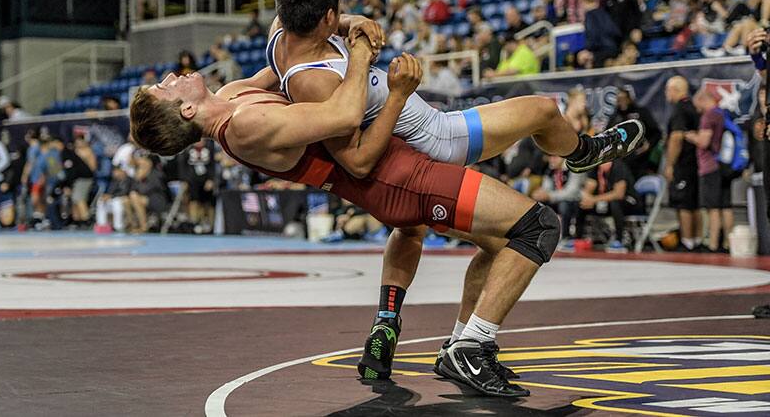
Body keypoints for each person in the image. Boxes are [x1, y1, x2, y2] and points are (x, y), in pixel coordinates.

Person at [264, 0, 644, 383]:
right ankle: (582, 152)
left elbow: (316, 18)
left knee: (430, 230)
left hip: (408, 151)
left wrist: (350, 20)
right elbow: (355, 158)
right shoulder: (314, 82)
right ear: (325, 16)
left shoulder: (283, 33)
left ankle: (407, 327)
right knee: (541, 113)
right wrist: (394, 90)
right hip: (437, 140)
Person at [131, 39, 553, 397]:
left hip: (389, 182)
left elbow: (287, 65)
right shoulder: (246, 124)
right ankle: (470, 348)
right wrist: (373, 65)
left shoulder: (234, 97)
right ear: (186, 111)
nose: (170, 77)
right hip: (393, 178)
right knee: (537, 226)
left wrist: (332, 25)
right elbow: (353, 139)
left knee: (478, 242)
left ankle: (414, 330)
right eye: (163, 87)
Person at [685, 89, 733, 252]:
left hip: (710, 166)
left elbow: (704, 141)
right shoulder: (722, 113)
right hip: (725, 166)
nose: (696, 109)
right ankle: (728, 243)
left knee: (713, 208)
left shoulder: (708, 116)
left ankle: (713, 244)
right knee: (725, 206)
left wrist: (691, 136)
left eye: (697, 105)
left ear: (702, 100)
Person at [664, 76, 702, 252]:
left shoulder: (680, 109)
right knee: (693, 203)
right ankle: (695, 239)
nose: (666, 94)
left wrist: (670, 164)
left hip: (683, 163)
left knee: (684, 204)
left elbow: (676, 137)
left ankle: (687, 241)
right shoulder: (693, 107)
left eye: (668, 90)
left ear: (675, 89)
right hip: (695, 163)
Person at [579, 159, 644, 252]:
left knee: (616, 203)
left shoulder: (618, 166)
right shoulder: (595, 167)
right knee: (581, 204)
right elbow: (589, 187)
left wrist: (593, 199)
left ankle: (619, 239)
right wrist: (586, 198)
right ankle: (578, 238)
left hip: (629, 201)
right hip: (606, 201)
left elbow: (618, 194)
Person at [606, 87, 662, 179]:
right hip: (622, 160)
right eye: (619, 99)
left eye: (624, 99)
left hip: (641, 159)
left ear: (629, 99)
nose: (622, 102)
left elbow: (656, 133)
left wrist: (649, 145)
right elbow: (607, 135)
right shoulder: (615, 116)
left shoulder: (641, 112)